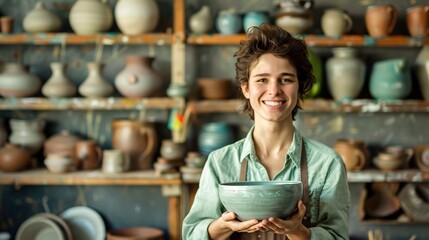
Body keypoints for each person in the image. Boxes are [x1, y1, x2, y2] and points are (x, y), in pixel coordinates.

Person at [182, 23, 350, 240]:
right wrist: (224, 226)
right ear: (245, 88)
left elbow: (339, 237)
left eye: (286, 79)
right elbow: (191, 234)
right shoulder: (220, 162)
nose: (274, 90)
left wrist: (298, 232)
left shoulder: (327, 164)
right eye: (262, 79)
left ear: (299, 86)